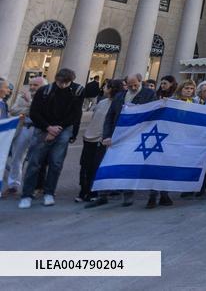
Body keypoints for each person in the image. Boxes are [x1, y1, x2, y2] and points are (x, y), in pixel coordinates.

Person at [17, 68, 84, 209]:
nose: (64, 85)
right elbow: (35, 113)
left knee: (56, 163)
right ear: (56, 79)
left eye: (67, 83)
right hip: (43, 129)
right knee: (35, 163)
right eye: (61, 83)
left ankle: (49, 193)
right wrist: (48, 128)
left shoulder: (77, 91)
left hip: (63, 129)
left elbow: (75, 114)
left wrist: (58, 129)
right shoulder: (45, 91)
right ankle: (27, 194)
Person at [102, 73, 159, 208]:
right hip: (122, 135)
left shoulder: (149, 94)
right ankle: (127, 194)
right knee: (125, 164)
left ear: (141, 82)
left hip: (141, 135)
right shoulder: (120, 96)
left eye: (136, 85)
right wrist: (107, 135)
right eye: (130, 85)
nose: (133, 87)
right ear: (125, 84)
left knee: (148, 166)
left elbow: (154, 113)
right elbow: (110, 116)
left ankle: (153, 195)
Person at [79, 79, 123, 206]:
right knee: (85, 165)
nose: (103, 88)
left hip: (102, 139)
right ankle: (83, 191)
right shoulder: (102, 102)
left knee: (95, 166)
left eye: (106, 86)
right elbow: (94, 118)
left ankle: (93, 191)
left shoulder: (118, 104)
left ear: (111, 88)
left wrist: (105, 136)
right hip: (89, 137)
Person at [4, 76, 45, 196]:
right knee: (17, 157)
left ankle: (33, 187)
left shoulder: (46, 96)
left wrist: (29, 103)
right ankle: (13, 185)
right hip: (23, 128)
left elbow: (42, 111)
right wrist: (30, 107)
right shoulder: (22, 96)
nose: (32, 87)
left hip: (38, 130)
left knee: (35, 159)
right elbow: (13, 110)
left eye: (35, 85)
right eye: (31, 85)